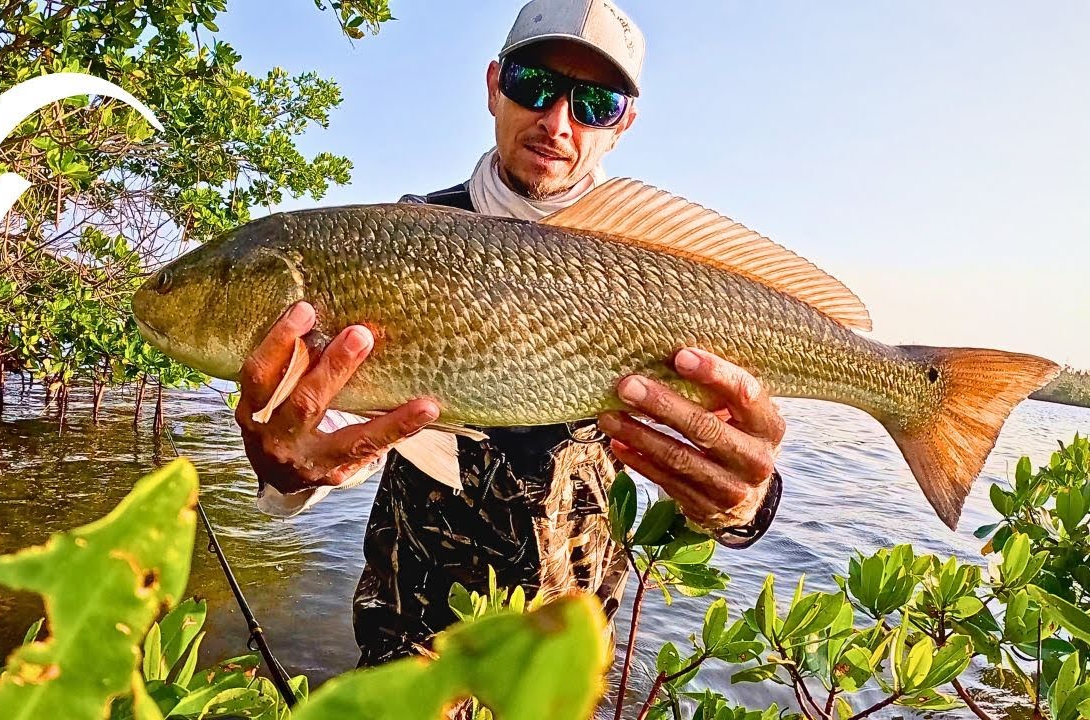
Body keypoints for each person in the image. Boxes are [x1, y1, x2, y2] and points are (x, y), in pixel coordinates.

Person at [235, 0, 786, 667]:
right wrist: (286, 469)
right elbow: (335, 448)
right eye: (534, 85)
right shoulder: (392, 239)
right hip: (410, 659)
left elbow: (736, 457)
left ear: (624, 125)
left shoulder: (669, 272)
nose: (557, 123)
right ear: (494, 85)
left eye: (596, 103)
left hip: (563, 673)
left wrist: (746, 504)